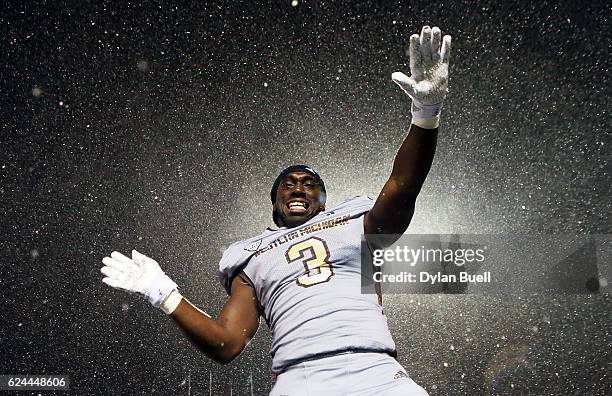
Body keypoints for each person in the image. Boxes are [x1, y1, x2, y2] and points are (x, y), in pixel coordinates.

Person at [101, 25, 451, 395]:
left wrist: (425, 115)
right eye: (289, 183)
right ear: (274, 204)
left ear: (324, 203)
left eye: (309, 184)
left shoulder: (355, 221)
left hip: (376, 369)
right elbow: (227, 343)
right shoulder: (249, 255)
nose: (299, 186)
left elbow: (402, 185)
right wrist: (162, 292)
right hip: (300, 380)